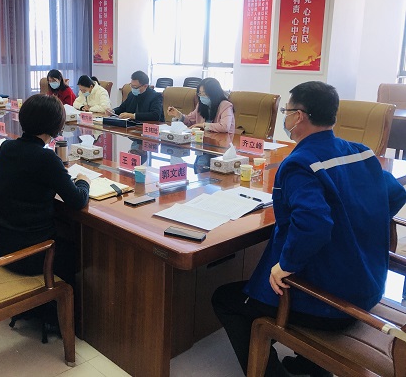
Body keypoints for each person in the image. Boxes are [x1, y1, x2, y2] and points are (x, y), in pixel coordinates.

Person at [211, 81, 406, 377]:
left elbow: (314, 225)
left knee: (227, 300)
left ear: (299, 116)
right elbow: (394, 195)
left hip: (331, 302)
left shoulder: (300, 164)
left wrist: (286, 265)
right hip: (369, 287)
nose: (286, 118)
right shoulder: (361, 152)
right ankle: (312, 366)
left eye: (287, 112)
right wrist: (357, 223)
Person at [0, 94, 90, 283]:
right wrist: (83, 182)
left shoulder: (7, 147)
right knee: (82, 253)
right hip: (32, 255)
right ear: (57, 126)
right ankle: (60, 299)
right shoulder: (46, 159)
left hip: (3, 246)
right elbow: (77, 200)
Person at [167, 78, 235, 133]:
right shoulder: (201, 105)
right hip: (204, 139)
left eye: (204, 93)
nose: (202, 96)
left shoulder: (226, 105)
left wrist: (202, 125)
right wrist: (178, 115)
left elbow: (225, 127)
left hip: (222, 141)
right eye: (200, 93)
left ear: (214, 93)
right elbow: (190, 121)